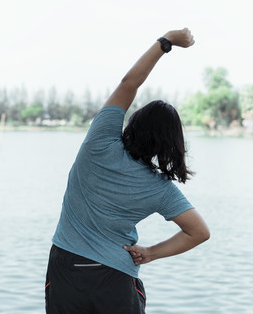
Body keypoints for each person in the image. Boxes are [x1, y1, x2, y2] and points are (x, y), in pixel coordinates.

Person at [45, 28, 210, 314]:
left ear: (134, 122)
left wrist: (166, 41)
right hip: (116, 277)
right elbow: (199, 232)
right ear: (170, 144)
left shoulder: (99, 142)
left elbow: (129, 83)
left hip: (66, 268)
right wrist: (150, 253)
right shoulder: (160, 189)